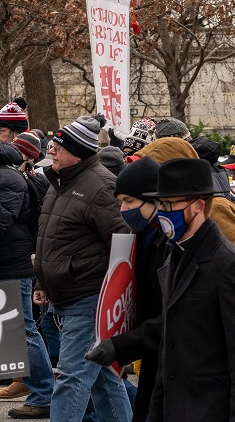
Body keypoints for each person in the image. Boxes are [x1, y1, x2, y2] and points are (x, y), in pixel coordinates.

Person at [142, 158, 235, 421]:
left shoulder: (230, 265)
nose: (162, 212)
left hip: (210, 410)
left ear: (198, 206)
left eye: (170, 205)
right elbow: (169, 341)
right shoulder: (175, 253)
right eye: (160, 204)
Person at [30, 115, 131, 422]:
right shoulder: (58, 182)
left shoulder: (101, 186)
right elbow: (50, 237)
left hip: (91, 298)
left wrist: (113, 297)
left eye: (58, 147)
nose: (51, 151)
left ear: (76, 151)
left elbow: (124, 243)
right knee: (103, 380)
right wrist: (42, 282)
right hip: (68, 295)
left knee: (71, 379)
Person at [0, 125, 52, 408]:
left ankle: (44, 393)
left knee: (22, 330)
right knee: (10, 332)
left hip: (10, 265)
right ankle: (33, 386)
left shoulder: (5, 177)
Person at [85, 157, 167, 422]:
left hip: (176, 362)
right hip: (153, 356)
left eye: (130, 202)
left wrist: (122, 344)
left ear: (154, 200)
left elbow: (175, 315)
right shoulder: (138, 239)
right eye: (120, 201)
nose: (123, 209)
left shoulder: (171, 244)